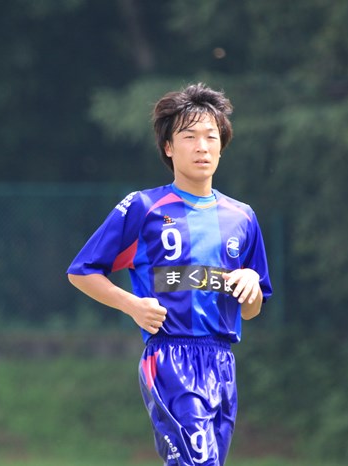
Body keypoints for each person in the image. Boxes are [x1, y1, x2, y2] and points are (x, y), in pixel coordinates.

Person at [67, 83, 272, 465]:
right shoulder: (144, 207)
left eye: (211, 136)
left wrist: (251, 285)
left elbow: (251, 310)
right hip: (170, 358)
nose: (202, 147)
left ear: (222, 145)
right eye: (189, 136)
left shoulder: (242, 217)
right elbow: (82, 272)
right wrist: (132, 305)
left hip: (222, 362)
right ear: (168, 147)